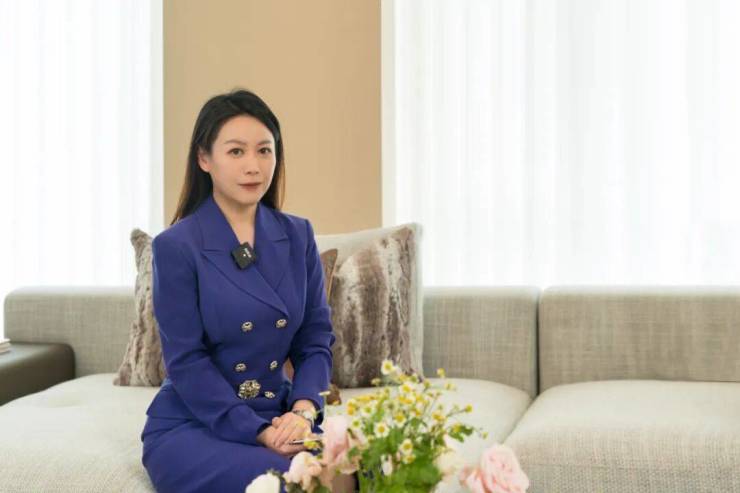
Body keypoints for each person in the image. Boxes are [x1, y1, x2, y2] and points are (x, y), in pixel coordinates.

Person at [140, 89, 349, 492]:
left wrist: (303, 411)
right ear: (204, 159)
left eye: (264, 151)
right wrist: (260, 433)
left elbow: (314, 340)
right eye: (236, 152)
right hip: (197, 424)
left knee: (366, 469)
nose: (253, 166)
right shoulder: (176, 246)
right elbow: (187, 362)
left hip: (279, 414)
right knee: (293, 482)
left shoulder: (298, 234)